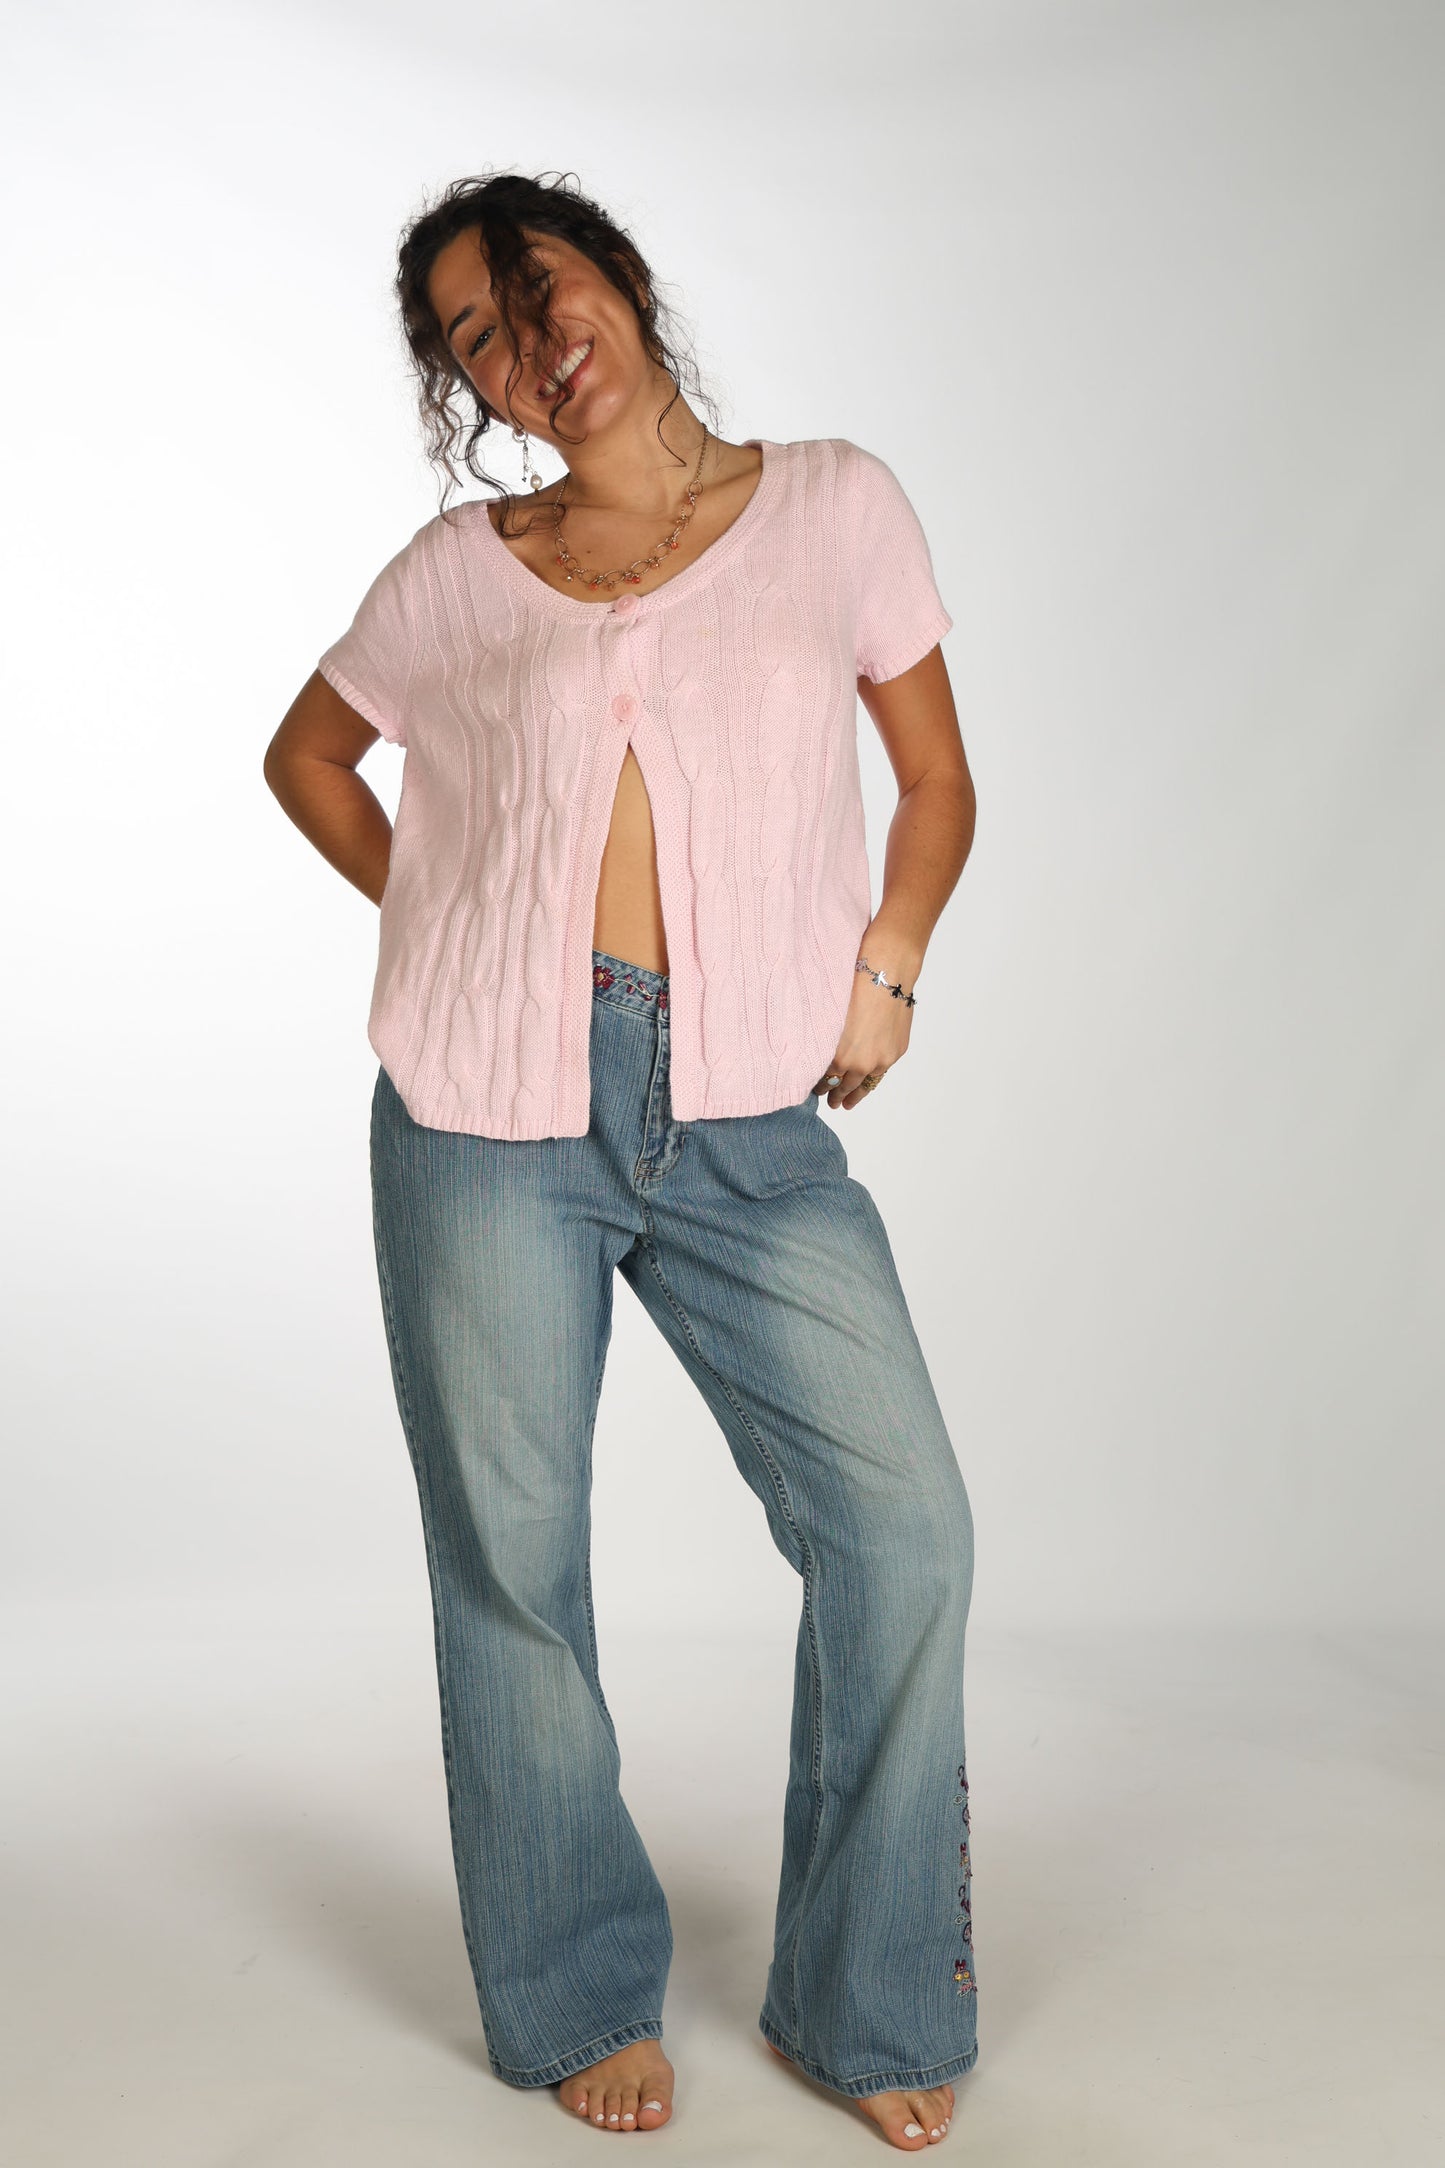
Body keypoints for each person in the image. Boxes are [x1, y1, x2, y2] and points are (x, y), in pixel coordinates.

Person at [263, 169, 978, 2153]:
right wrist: (451, 917)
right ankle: (573, 1984)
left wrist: (889, 965)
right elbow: (307, 755)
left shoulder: (832, 506)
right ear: (468, 384)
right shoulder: (457, 572)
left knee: (905, 1530)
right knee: (514, 1564)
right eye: (475, 336)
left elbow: (934, 777)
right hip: (485, 1115)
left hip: (749, 1100)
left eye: (538, 286)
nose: (527, 343)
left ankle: (864, 1995)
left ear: (619, 278)